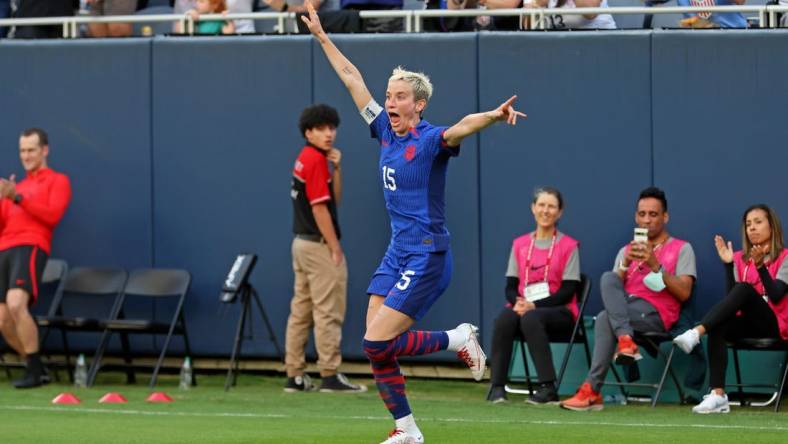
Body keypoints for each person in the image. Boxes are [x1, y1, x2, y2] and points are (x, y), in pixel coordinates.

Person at [301, 4, 526, 443]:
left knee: (374, 344)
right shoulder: (384, 128)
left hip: (426, 252)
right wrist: (323, 37)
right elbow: (351, 78)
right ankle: (406, 430)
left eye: (400, 96)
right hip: (397, 250)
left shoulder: (429, 139)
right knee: (376, 343)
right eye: (389, 94)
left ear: (418, 105)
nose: (390, 101)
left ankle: (457, 337)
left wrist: (494, 116)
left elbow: (462, 127)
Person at [559, 187, 696, 411]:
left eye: (653, 214)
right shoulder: (626, 250)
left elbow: (684, 292)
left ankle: (592, 390)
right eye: (642, 214)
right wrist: (624, 264)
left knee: (605, 318)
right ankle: (624, 344)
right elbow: (612, 290)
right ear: (636, 217)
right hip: (627, 313)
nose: (647, 220)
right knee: (608, 280)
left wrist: (655, 265)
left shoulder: (682, 248)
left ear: (665, 217)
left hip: (656, 315)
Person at [673, 204, 788, 414]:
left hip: (775, 325)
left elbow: (777, 295)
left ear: (772, 227)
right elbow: (731, 302)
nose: (752, 228)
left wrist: (761, 266)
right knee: (720, 323)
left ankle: (696, 332)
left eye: (758, 222)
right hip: (748, 324)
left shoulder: (786, 257)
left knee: (744, 288)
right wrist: (728, 265)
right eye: (748, 224)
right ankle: (718, 395)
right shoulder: (738, 259)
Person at [285, 103, 366, 393]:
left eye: (332, 128)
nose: (328, 133)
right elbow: (321, 210)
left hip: (300, 244)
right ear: (308, 132)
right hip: (318, 246)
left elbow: (334, 200)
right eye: (321, 128)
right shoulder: (314, 160)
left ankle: (294, 375)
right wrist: (334, 248)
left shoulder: (310, 158)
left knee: (301, 312)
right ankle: (330, 374)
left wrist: (337, 167)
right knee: (328, 312)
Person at [487, 187, 581, 404]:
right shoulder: (519, 244)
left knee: (531, 317)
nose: (545, 211)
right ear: (533, 208)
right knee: (505, 317)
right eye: (541, 205)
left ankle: (548, 388)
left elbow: (568, 291)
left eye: (551, 206)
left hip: (560, 312)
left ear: (560, 212)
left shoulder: (569, 246)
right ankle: (497, 387)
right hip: (525, 308)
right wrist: (518, 303)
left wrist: (533, 305)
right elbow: (510, 287)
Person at [0, 128, 71, 388]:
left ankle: (34, 370)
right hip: (4, 249)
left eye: (31, 150)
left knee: (17, 303)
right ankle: (36, 368)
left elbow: (52, 215)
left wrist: (16, 198)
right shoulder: (15, 186)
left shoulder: (57, 180)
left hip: (30, 245)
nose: (26, 155)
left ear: (45, 150)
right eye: (22, 150)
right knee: (2, 318)